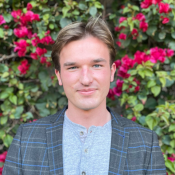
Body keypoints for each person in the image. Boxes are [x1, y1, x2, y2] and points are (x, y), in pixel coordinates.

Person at [3, 17, 166, 175]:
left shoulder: (145, 143)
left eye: (96, 65)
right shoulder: (27, 139)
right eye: (73, 67)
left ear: (112, 72)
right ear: (59, 75)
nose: (86, 79)